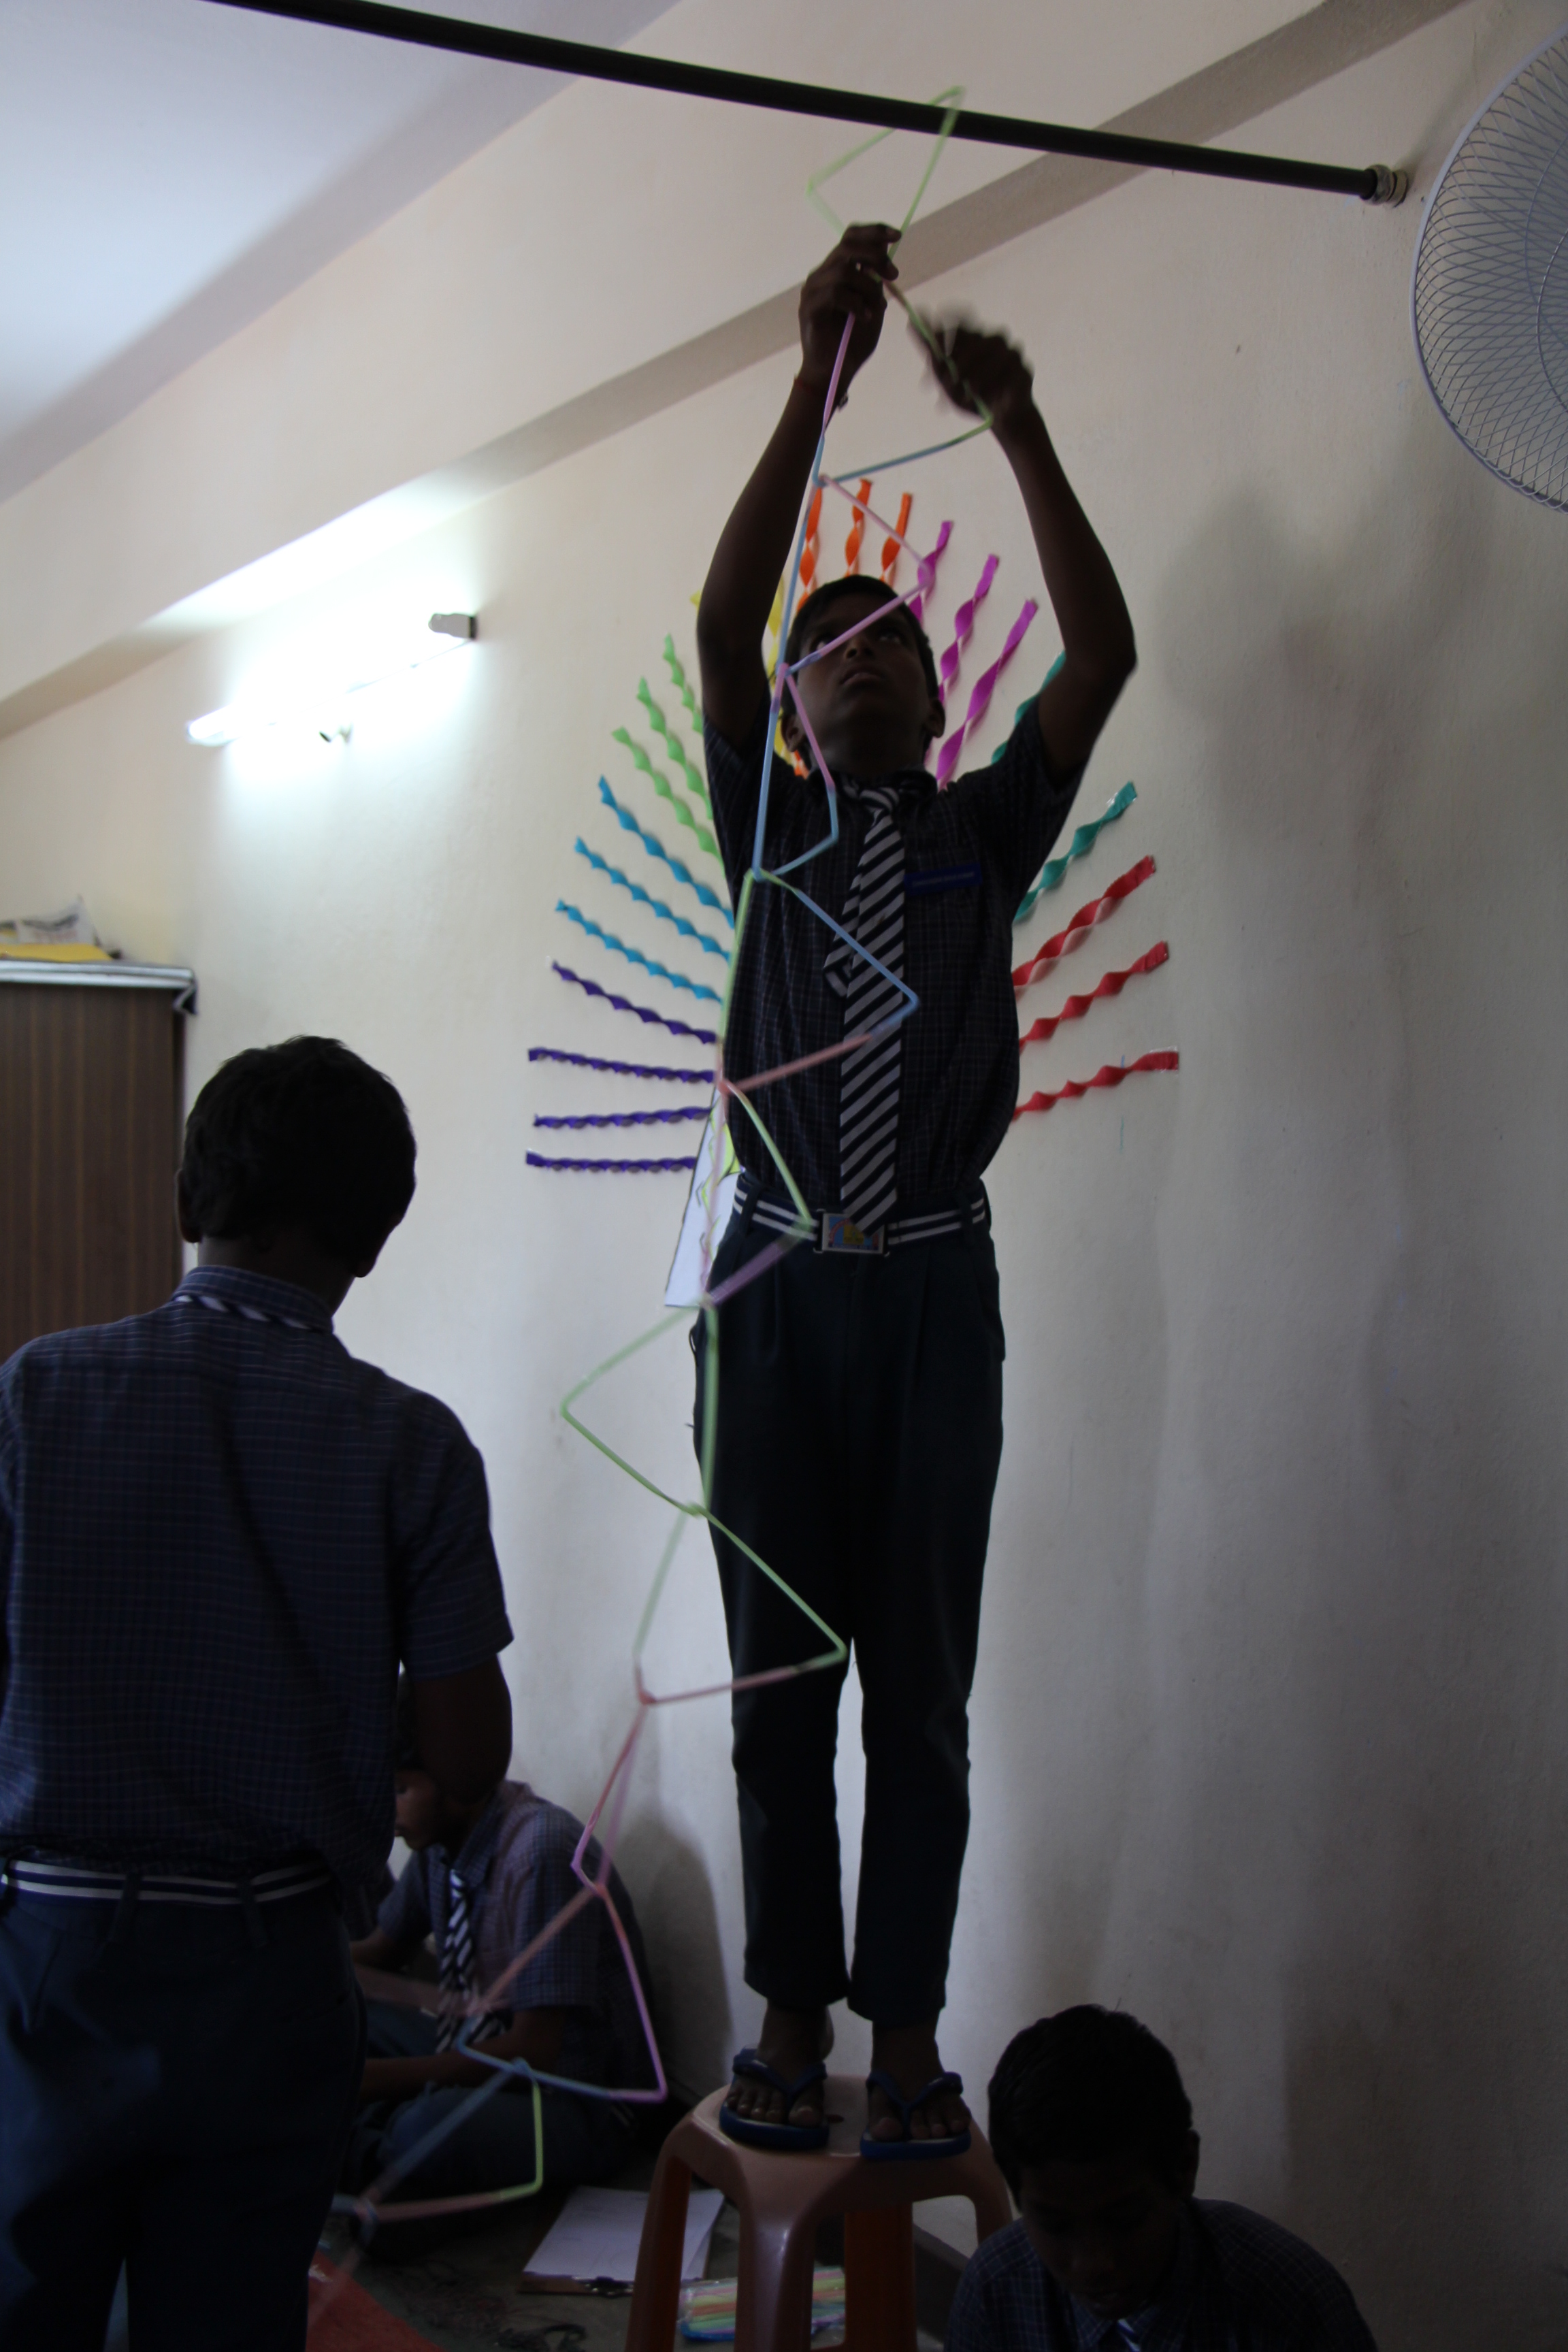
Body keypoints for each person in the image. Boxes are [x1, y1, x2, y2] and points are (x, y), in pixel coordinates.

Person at [693, 223, 1137, 2155]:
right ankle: (791, 2016)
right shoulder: (769, 826)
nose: (861, 660)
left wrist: (1016, 424)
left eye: (896, 644)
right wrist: (819, 386)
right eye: (830, 652)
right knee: (778, 1683)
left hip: (938, 1296)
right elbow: (723, 621)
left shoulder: (982, 830)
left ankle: (910, 2032)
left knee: (923, 1697)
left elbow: (1103, 655)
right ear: (794, 711)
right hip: (773, 1295)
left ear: (944, 700)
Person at [0, 1036, 513, 2352]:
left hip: (51, 1957)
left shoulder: (34, 1396)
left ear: (188, 1200)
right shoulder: (415, 1449)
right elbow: (467, 1757)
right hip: (272, 1975)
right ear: (373, 1241)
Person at [343, 1675, 652, 2239]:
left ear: (456, 1780)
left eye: (399, 1789)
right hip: (478, 2053)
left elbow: (534, 2052)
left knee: (421, 2128)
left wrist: (381, 2081)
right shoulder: (440, 1843)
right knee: (343, 2021)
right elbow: (376, 1955)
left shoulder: (540, 1853)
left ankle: (375, 2152)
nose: (386, 1809)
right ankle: (388, 2169)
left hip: (574, 2100)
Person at [947, 2007, 1379, 2350]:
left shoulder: (1293, 2307)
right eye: (1055, 2226)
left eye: (1124, 2220)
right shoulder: (996, 2293)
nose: (1095, 2264)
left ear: (1184, 2168)